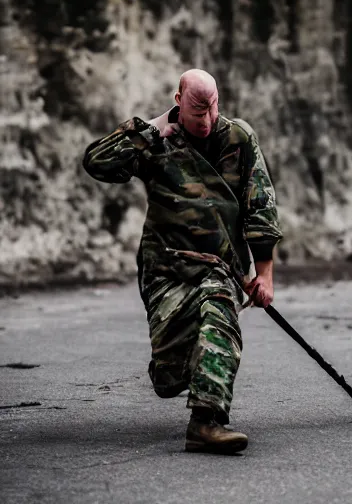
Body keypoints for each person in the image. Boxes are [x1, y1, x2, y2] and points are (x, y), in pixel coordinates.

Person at [82, 69, 282, 453]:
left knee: (219, 311)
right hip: (166, 266)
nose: (205, 121)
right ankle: (174, 365)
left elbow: (261, 206)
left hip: (221, 267)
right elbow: (97, 162)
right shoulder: (156, 142)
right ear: (178, 102)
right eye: (195, 112)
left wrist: (265, 275)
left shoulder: (238, 138)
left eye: (211, 109)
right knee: (169, 377)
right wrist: (150, 130)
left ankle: (206, 421)